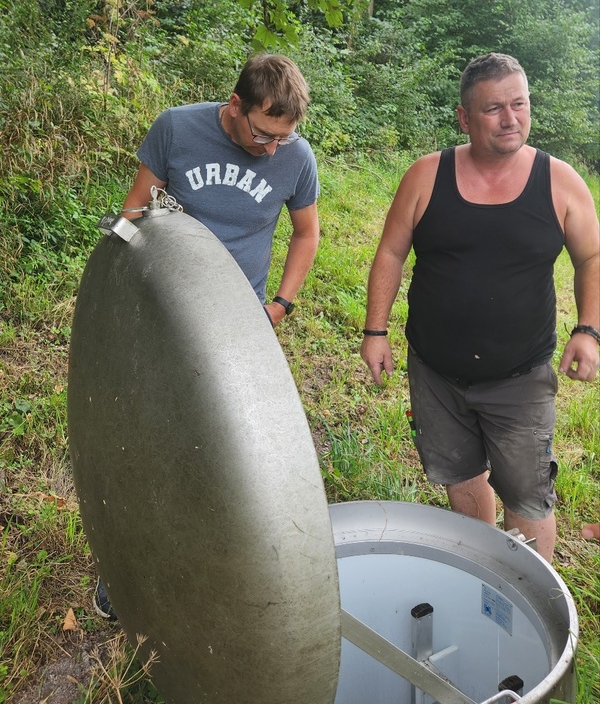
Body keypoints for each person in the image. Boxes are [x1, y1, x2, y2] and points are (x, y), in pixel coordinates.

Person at [93, 52, 320, 618]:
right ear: (235, 105)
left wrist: (280, 305)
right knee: (147, 440)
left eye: (283, 138)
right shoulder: (177, 128)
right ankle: (126, 570)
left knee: (224, 449)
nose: (272, 150)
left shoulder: (295, 156)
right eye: (263, 134)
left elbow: (306, 233)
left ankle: (213, 566)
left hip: (239, 324)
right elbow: (133, 211)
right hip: (163, 310)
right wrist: (112, 286)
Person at [360, 52, 599, 564]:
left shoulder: (560, 182)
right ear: (464, 118)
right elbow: (391, 253)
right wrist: (375, 331)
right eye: (493, 109)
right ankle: (479, 569)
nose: (511, 118)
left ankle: (531, 593)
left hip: (520, 375)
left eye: (520, 104)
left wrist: (588, 329)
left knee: (527, 493)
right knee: (460, 474)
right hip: (435, 371)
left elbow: (591, 258)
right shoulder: (426, 176)